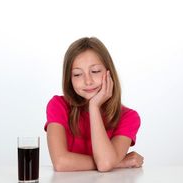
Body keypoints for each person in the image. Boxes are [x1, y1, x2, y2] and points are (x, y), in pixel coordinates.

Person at [44, 37, 143, 172]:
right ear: (69, 79)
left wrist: (94, 106)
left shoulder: (128, 117)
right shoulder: (58, 105)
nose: (88, 81)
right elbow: (61, 163)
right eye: (78, 74)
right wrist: (118, 162)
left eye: (95, 71)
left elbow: (105, 163)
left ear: (109, 73)